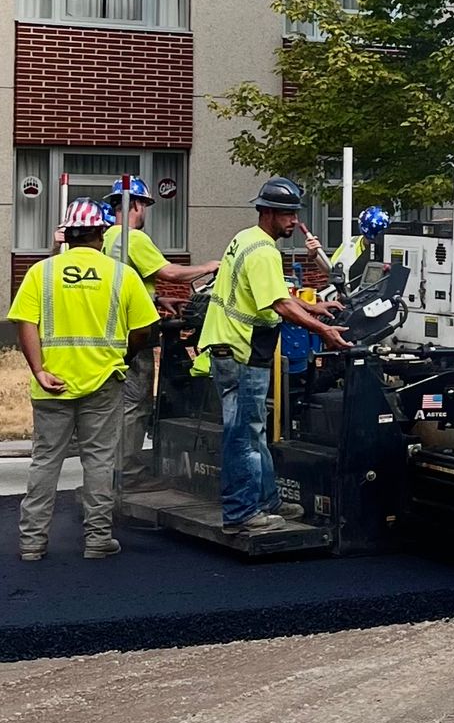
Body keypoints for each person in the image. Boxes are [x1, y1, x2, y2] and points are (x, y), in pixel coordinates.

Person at [193, 178, 349, 533]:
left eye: (294, 214)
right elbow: (277, 304)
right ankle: (242, 513)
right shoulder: (264, 251)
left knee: (253, 430)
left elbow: (273, 293)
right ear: (266, 212)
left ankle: (266, 501)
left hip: (231, 348)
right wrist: (322, 329)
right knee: (244, 435)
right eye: (286, 215)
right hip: (243, 352)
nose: (293, 221)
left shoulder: (245, 239)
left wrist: (315, 305)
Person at [9, 200, 161, 563]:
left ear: (69, 234)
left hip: (51, 383)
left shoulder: (41, 273)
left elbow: (24, 323)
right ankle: (97, 539)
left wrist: (39, 370)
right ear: (100, 232)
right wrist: (123, 355)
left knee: (46, 462)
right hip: (103, 381)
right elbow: (144, 327)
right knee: (98, 460)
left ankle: (32, 543)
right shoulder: (121, 274)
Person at [98, 178, 215, 489]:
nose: (145, 211)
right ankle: (129, 475)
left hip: (113, 330)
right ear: (137, 204)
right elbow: (170, 273)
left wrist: (158, 300)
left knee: (120, 403)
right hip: (135, 333)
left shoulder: (108, 238)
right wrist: (210, 266)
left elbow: (124, 282)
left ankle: (112, 470)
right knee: (136, 404)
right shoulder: (134, 239)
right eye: (146, 205)